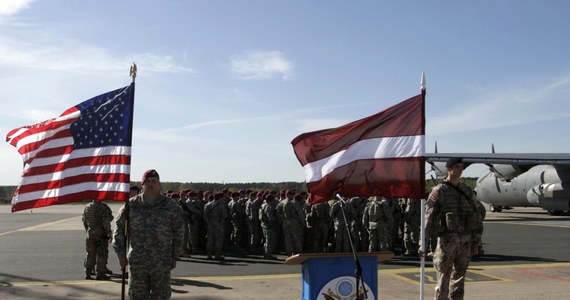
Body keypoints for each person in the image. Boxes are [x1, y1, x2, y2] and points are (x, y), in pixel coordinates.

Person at [113, 169, 184, 299]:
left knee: (161, 296)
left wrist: (175, 256)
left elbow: (179, 231)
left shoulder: (171, 206)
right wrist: (121, 255)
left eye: (154, 181)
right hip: (138, 262)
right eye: (148, 181)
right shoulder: (130, 205)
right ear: (142, 184)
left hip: (161, 262)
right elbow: (118, 230)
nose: (151, 184)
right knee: (137, 296)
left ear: (159, 183)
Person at [422, 157, 483, 300]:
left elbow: (476, 217)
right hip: (447, 241)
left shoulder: (467, 191)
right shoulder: (439, 191)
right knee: (443, 277)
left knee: (459, 278)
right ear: (449, 169)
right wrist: (423, 243)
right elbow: (428, 218)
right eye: (457, 167)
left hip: (465, 241)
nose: (460, 169)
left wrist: (476, 242)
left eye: (462, 167)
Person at [82, 200, 113, 280]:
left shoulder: (87, 207)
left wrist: (88, 231)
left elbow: (84, 220)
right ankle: (100, 273)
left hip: (90, 233)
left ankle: (87, 272)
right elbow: (106, 221)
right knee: (102, 254)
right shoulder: (103, 207)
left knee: (90, 253)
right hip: (100, 234)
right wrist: (109, 232)